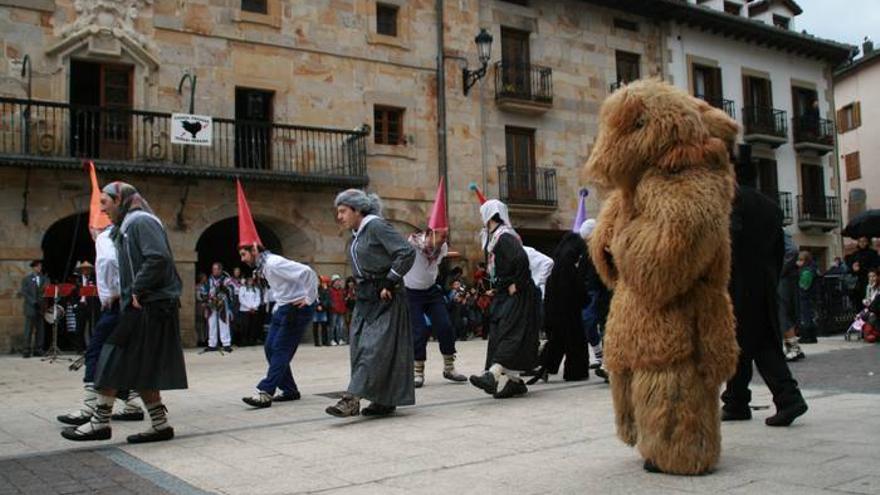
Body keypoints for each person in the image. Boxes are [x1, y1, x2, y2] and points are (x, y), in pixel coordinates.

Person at [62, 181, 187, 443]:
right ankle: (160, 425)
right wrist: (126, 291)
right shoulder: (127, 226)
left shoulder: (140, 221)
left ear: (120, 200)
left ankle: (100, 421)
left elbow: (158, 258)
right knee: (138, 366)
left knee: (110, 354)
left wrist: (136, 290)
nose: (103, 209)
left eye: (105, 202)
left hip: (150, 305)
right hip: (142, 303)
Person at [721, 164, 808, 427]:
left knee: (753, 343)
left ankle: (788, 398)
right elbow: (781, 250)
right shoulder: (771, 206)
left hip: (740, 284)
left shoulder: (734, 202)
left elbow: (730, 242)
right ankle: (736, 401)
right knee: (748, 343)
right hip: (766, 283)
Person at [326, 189, 416, 418]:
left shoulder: (376, 227)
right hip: (366, 297)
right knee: (359, 346)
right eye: (339, 212)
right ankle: (383, 400)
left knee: (374, 349)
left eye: (343, 211)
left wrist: (390, 280)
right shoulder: (357, 234)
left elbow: (406, 252)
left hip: (386, 296)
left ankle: (351, 399)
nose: (340, 216)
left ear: (358, 210)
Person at [57, 225, 144, 427]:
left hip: (115, 306)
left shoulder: (105, 237)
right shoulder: (126, 235)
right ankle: (133, 403)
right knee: (119, 355)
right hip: (122, 304)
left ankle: (90, 407)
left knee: (95, 352)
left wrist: (117, 292)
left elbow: (109, 261)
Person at [469, 200, 540, 399]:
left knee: (508, 333)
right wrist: (499, 287)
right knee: (501, 332)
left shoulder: (504, 237)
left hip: (518, 295)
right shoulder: (497, 237)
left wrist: (517, 284)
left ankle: (492, 375)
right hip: (507, 293)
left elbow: (521, 260)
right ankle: (515, 382)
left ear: (489, 216)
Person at [238, 244, 318, 408]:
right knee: (270, 348)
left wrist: (310, 298)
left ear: (254, 251)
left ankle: (266, 391)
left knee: (281, 349)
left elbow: (307, 272)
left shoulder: (273, 263)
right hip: (283, 307)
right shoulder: (264, 266)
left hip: (297, 307)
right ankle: (289, 390)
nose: (242, 259)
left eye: (244, 254)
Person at [404, 228, 467, 388]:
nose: (443, 240)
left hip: (431, 291)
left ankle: (449, 368)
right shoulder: (413, 243)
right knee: (420, 330)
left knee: (445, 326)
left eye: (446, 237)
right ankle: (418, 372)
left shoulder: (443, 248)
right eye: (441, 236)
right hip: (411, 293)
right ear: (430, 233)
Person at [533, 232, 590, 382]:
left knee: (557, 341)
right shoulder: (570, 268)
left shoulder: (556, 267)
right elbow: (578, 291)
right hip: (570, 313)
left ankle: (545, 366)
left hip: (555, 312)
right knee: (575, 344)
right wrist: (585, 298)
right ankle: (575, 373)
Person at [778, 232, 804, 362]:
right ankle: (793, 347)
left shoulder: (778, 231)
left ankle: (793, 348)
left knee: (782, 311)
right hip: (785, 277)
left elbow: (792, 250)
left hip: (783, 278)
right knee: (784, 312)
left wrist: (778, 270)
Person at [201, 262, 236, 352]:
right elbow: (204, 291)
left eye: (217, 269)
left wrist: (224, 288)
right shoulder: (209, 281)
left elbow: (232, 290)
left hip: (222, 304)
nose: (215, 271)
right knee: (211, 324)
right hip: (211, 304)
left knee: (224, 323)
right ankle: (212, 344)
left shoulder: (226, 280)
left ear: (220, 270)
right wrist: (205, 301)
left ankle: (226, 344)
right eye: (213, 269)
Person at [18, 260, 47, 358]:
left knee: (40, 329)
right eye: (38, 266)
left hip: (41, 307)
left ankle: (38, 349)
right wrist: (33, 302)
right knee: (28, 329)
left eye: (40, 266)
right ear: (33, 268)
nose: (39, 268)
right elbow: (24, 292)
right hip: (30, 307)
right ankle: (26, 349)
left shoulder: (44, 278)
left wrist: (42, 302)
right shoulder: (27, 279)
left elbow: (47, 290)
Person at [796, 250, 820, 344]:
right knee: (809, 316)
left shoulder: (807, 271)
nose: (798, 262)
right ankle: (811, 336)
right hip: (810, 297)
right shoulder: (811, 269)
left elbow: (804, 285)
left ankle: (807, 337)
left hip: (805, 297)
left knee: (806, 317)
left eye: (801, 260)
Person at [238, 277, 263, 346]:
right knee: (245, 325)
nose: (250, 281)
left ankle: (251, 340)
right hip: (245, 310)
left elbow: (258, 299)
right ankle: (244, 340)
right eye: (249, 280)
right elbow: (241, 298)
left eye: (251, 280)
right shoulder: (242, 288)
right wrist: (249, 307)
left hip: (254, 310)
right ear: (246, 281)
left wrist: (253, 307)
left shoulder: (256, 289)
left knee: (253, 325)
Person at [328, 275, 349, 345]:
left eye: (339, 281)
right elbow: (329, 300)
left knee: (341, 326)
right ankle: (332, 340)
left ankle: (340, 339)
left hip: (341, 310)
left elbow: (343, 300)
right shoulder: (330, 290)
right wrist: (332, 306)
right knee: (333, 326)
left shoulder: (342, 290)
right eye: (336, 281)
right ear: (333, 282)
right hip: (333, 311)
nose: (338, 283)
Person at [312, 276, 331, 346]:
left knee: (324, 326)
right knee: (315, 327)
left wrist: (322, 306)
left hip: (323, 309)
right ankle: (316, 342)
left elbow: (327, 299)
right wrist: (317, 306)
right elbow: (311, 300)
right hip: (315, 310)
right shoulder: (313, 290)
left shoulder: (324, 290)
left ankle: (325, 341)